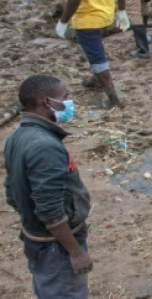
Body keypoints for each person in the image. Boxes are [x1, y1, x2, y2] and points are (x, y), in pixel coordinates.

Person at [4, 75, 95, 298]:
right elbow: (49, 209)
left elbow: (11, 190)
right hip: (57, 249)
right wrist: (74, 251)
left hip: (39, 241)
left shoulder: (17, 136)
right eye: (65, 98)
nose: (69, 103)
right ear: (46, 102)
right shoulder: (45, 146)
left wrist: (32, 221)